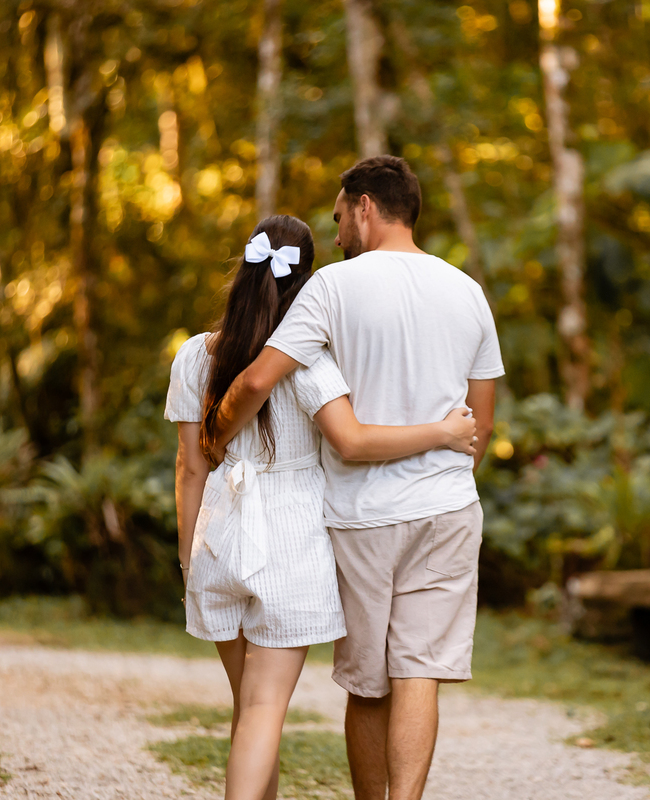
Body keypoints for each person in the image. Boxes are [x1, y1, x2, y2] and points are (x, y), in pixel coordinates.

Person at [206, 157, 504, 800]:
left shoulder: (332, 289)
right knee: (420, 672)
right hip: (448, 507)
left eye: (340, 217)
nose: (337, 234)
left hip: (362, 516)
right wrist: (443, 462)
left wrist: (212, 436)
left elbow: (258, 379)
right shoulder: (468, 290)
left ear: (365, 205)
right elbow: (479, 424)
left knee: (369, 682)